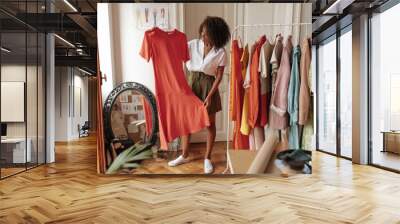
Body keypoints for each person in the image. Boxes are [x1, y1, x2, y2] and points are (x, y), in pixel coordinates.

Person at [168, 16, 230, 174]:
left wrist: (209, 96)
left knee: (210, 124)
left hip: (209, 86)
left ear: (216, 35)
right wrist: (181, 85)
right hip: (191, 84)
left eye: (206, 34)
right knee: (186, 122)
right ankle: (184, 154)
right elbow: (179, 62)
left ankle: (207, 158)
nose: (203, 37)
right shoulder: (191, 45)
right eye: (202, 33)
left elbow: (219, 77)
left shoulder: (221, 52)